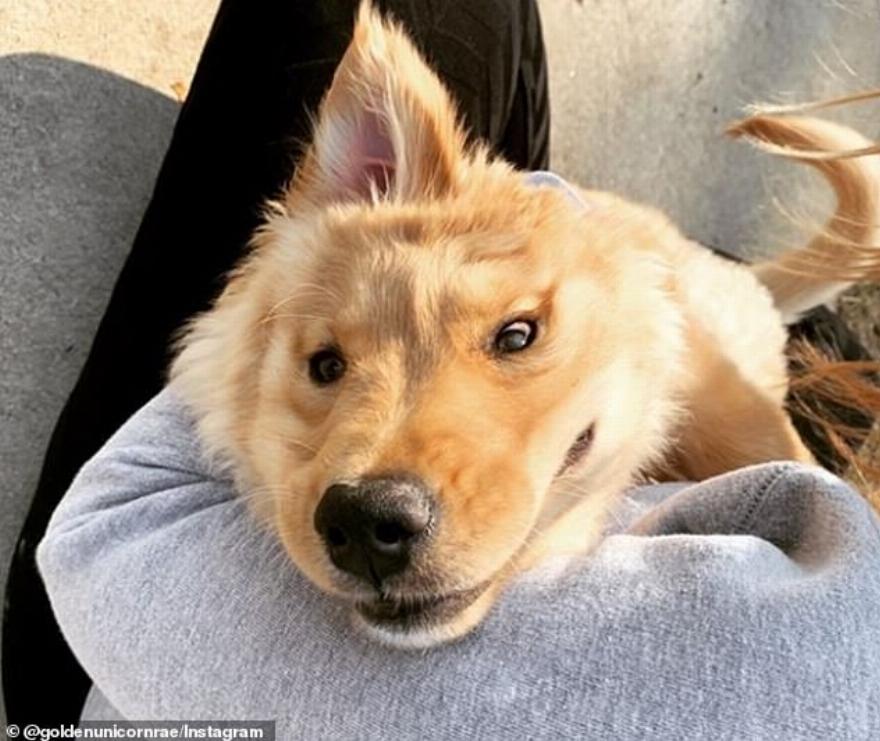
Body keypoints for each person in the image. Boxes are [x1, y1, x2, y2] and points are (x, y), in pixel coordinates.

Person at [3, 0, 873, 727]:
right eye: (333, 368)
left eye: (514, 339)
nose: (375, 457)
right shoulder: (821, 581)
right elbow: (721, 409)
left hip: (79, 670)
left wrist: (310, 268)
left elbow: (104, 527)